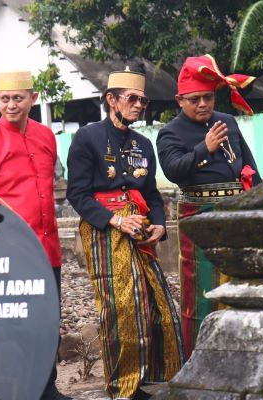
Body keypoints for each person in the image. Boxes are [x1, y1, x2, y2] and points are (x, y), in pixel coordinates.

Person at [66, 68, 185, 400]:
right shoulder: (87, 138)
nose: (138, 105)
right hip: (106, 231)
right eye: (132, 99)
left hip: (141, 228)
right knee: (123, 307)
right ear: (111, 100)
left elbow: (151, 195)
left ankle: (157, 375)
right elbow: (77, 195)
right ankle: (124, 386)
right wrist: (117, 221)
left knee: (160, 304)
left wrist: (159, 225)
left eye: (142, 100)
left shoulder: (143, 144)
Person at [0, 71, 71, 400]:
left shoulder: (46, 137)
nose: (11, 105)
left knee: (47, 320)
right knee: (12, 324)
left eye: (18, 98)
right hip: (8, 253)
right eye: (5, 99)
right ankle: (16, 389)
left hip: (48, 247)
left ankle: (47, 385)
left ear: (33, 99)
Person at [156, 54, 262, 359]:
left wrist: (258, 204)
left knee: (241, 285)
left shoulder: (226, 121)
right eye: (195, 99)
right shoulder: (170, 133)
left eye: (208, 97)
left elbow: (249, 167)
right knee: (199, 292)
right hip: (198, 217)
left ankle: (240, 356)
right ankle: (198, 361)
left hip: (235, 214)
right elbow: (174, 170)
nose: (203, 104)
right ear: (179, 100)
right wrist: (205, 149)